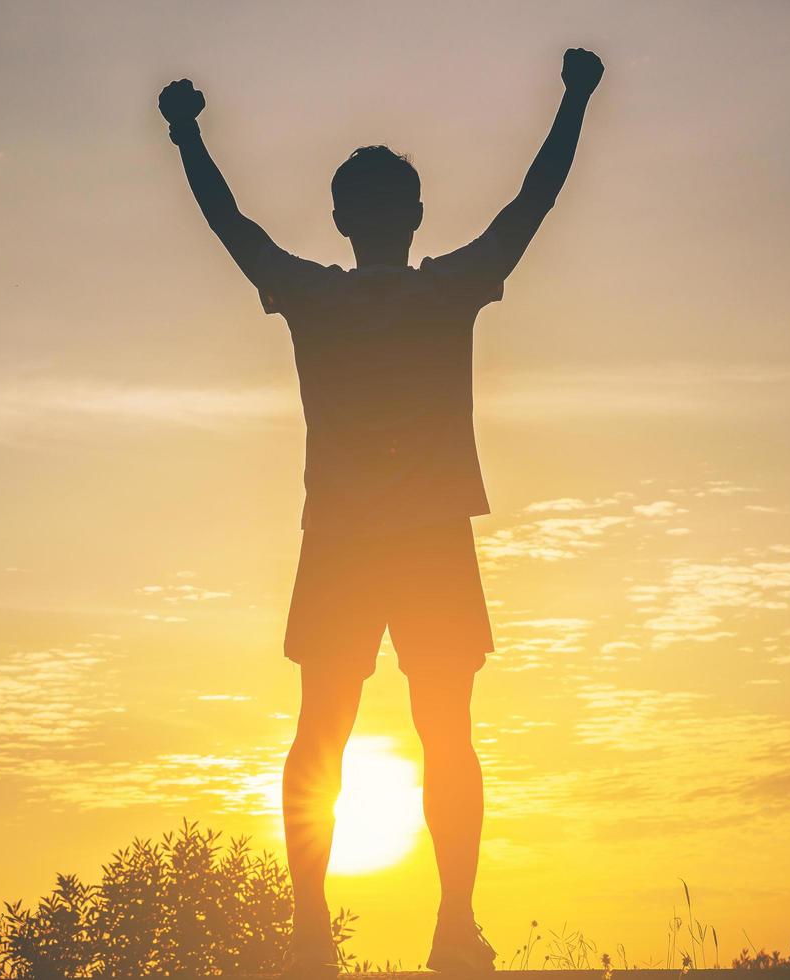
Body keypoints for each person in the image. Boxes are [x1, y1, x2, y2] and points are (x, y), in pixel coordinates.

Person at [158, 46, 603, 977]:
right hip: (424, 541)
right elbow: (535, 200)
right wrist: (575, 100)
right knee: (441, 734)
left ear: (342, 219)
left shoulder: (318, 295)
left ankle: (317, 933)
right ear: (412, 216)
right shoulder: (444, 289)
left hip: (349, 544)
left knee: (324, 728)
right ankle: (445, 929)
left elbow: (227, 223)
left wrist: (186, 134)